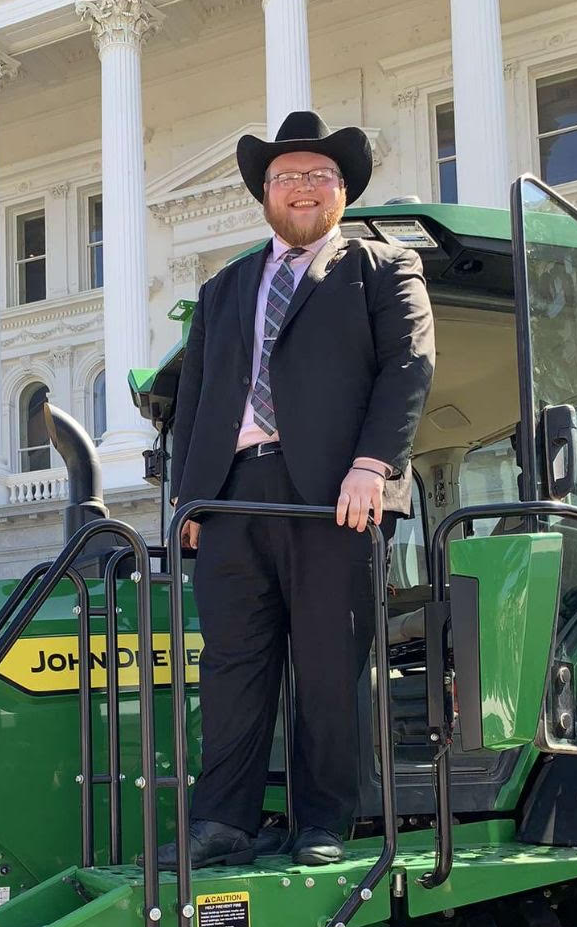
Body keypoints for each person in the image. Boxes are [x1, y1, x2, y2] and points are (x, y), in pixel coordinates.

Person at [163, 110, 435, 869]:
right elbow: (197, 399)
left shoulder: (383, 268)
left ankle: (322, 822)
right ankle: (221, 820)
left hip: (334, 498)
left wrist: (372, 466)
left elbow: (408, 368)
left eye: (319, 175)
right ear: (265, 194)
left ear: (342, 189)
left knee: (327, 665)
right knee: (231, 666)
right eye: (288, 177)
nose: (303, 188)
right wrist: (190, 498)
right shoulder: (223, 289)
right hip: (234, 498)